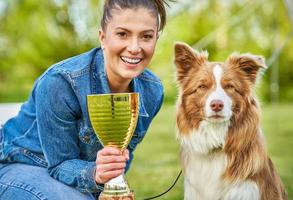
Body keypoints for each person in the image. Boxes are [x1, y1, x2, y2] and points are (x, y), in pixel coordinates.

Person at [0, 0, 173, 199]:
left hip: (77, 179)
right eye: (122, 34)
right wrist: (95, 174)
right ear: (103, 37)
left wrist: (110, 182)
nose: (134, 47)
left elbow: (124, 153)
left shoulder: (152, 92)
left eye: (146, 36)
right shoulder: (61, 83)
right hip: (21, 163)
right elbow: (59, 165)